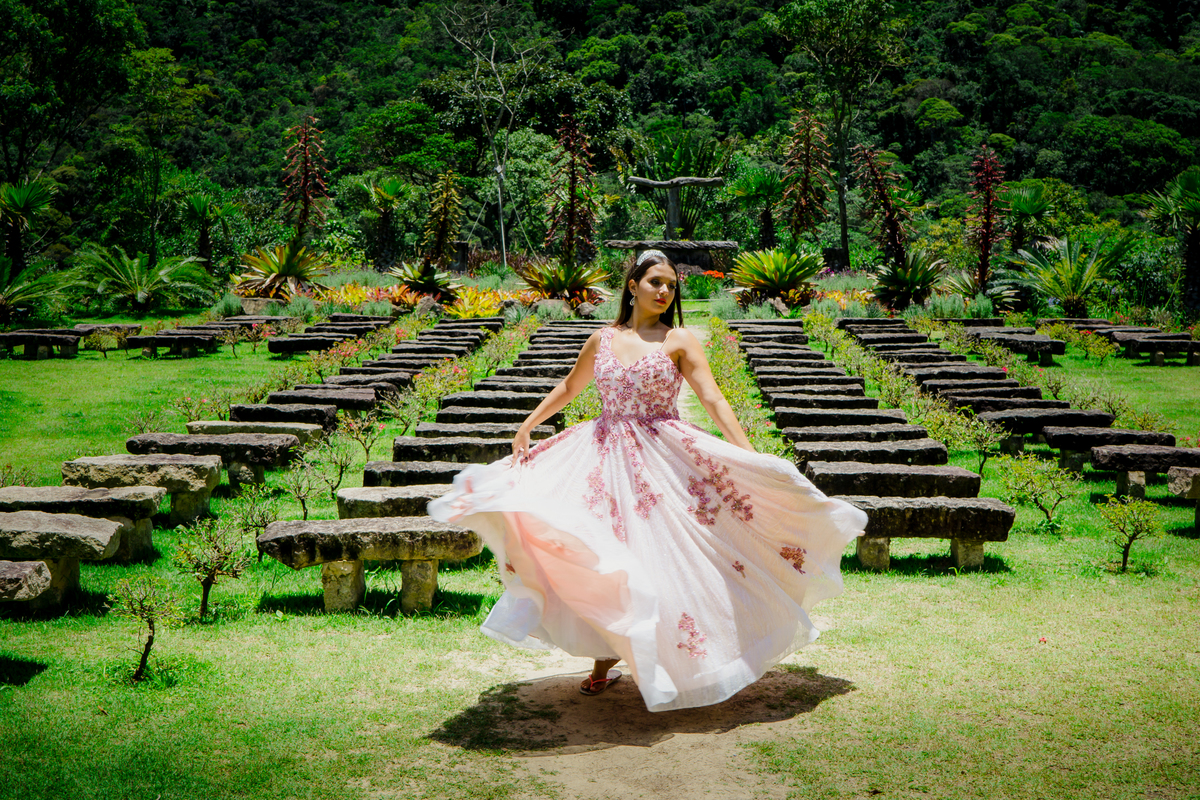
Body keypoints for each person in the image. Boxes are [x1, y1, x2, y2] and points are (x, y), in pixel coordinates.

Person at [428, 250, 866, 711]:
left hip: (663, 457)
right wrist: (528, 424)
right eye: (655, 282)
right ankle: (603, 661)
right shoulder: (602, 339)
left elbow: (712, 397)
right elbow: (570, 387)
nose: (664, 291)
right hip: (601, 457)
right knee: (602, 553)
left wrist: (747, 453)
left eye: (671, 286)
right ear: (632, 285)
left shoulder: (678, 340)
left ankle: (675, 657)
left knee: (666, 556)